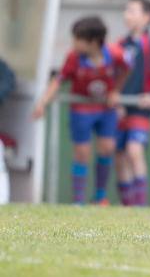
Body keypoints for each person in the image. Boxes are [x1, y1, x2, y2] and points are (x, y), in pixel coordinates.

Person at [32, 16, 129, 205]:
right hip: (82, 110)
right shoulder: (73, 57)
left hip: (106, 109)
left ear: (93, 42)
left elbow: (126, 69)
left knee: (107, 147)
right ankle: (78, 201)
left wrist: (116, 91)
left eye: (77, 39)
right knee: (82, 152)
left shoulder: (115, 54)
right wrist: (42, 102)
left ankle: (100, 196)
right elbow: (59, 80)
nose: (73, 43)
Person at [115, 0, 150, 207]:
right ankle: (127, 205)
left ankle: (140, 205)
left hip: (140, 111)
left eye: (132, 11)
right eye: (126, 10)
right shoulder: (120, 45)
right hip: (120, 110)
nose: (126, 15)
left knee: (134, 150)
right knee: (119, 157)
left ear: (147, 17)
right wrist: (115, 98)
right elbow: (113, 74)